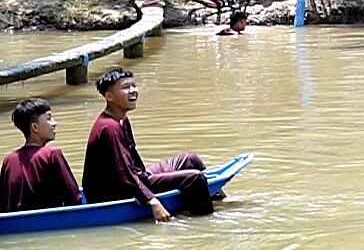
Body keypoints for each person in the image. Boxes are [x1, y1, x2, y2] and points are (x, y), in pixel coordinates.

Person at [82, 69, 214, 221]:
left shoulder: (122, 120)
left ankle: (218, 197)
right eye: (125, 88)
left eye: (133, 86)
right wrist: (152, 200)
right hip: (114, 191)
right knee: (194, 179)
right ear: (109, 96)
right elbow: (124, 173)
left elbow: (133, 162)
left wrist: (148, 178)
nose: (133, 91)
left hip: (134, 177)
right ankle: (205, 221)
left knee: (191, 159)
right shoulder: (109, 127)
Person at [0, 98, 82, 213]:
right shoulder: (52, 154)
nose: (55, 123)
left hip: (13, 226)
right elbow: (74, 198)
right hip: (47, 223)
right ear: (35, 127)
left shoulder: (8, 160)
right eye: (49, 118)